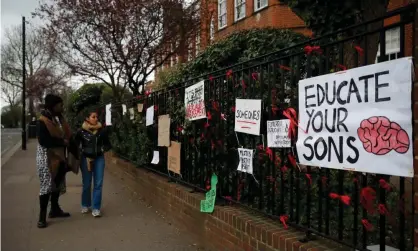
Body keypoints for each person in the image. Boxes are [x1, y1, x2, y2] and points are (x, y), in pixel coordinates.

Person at [36, 94, 72, 228]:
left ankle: (55, 209)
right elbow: (44, 141)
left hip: (59, 156)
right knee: (46, 185)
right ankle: (41, 217)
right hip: (46, 157)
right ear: (53, 106)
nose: (62, 107)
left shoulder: (58, 119)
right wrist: (62, 142)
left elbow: (67, 134)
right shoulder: (42, 121)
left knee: (57, 182)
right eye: (60, 105)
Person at [76, 110, 111, 217]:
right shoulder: (81, 131)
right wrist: (80, 152)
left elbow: (108, 145)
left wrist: (102, 149)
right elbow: (75, 144)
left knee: (98, 184)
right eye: (93, 117)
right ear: (87, 119)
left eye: (96, 117)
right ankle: (85, 204)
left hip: (99, 158)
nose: (96, 119)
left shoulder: (102, 131)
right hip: (86, 159)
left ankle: (96, 208)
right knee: (87, 183)